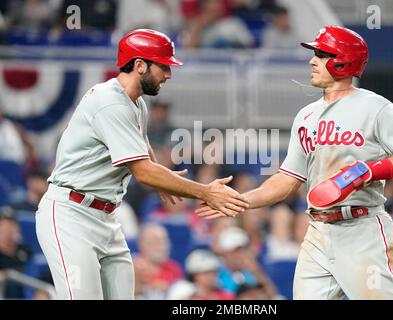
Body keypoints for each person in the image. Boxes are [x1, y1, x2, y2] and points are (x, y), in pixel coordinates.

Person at [197, 25, 393, 300]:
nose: (312, 60)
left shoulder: (375, 107)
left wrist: (366, 172)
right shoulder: (306, 116)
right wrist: (242, 201)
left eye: (320, 54)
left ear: (343, 61)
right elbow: (287, 179)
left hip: (362, 228)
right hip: (317, 231)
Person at [35, 29, 249, 300]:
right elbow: (144, 173)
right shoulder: (109, 101)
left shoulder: (136, 104)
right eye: (164, 66)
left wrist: (163, 175)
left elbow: (143, 151)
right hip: (71, 214)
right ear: (139, 65)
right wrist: (205, 192)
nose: (169, 75)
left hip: (105, 216)